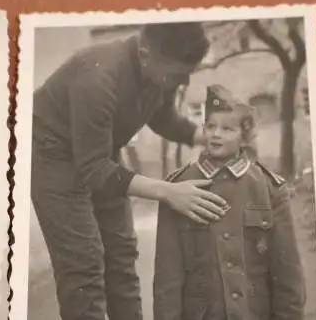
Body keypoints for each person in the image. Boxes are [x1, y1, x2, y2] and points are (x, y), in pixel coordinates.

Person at [31, 23, 229, 320]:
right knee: (83, 262)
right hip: (50, 153)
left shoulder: (157, 74)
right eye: (177, 73)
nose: (185, 80)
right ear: (145, 55)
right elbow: (95, 171)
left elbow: (164, 120)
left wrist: (209, 137)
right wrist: (168, 191)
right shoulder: (98, 78)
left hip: (98, 153)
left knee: (121, 254)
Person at [153, 84, 306, 320]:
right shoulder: (178, 187)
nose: (215, 134)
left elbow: (287, 273)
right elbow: (167, 279)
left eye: (227, 129)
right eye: (211, 126)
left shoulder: (268, 188)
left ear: (244, 137)